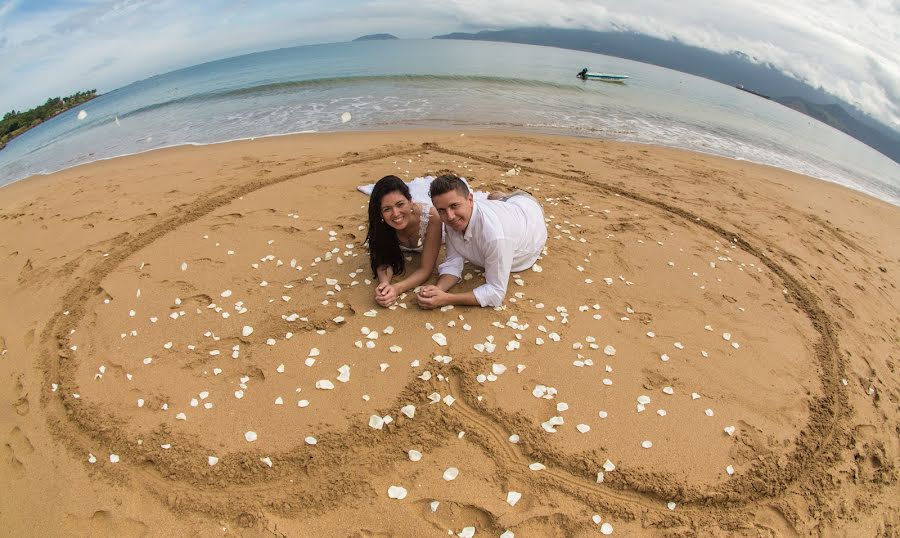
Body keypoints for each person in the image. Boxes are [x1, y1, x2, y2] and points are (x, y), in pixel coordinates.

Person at [417, 174, 547, 309]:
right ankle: (497, 199)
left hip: (528, 210)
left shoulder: (495, 236)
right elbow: (453, 262)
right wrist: (438, 291)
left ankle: (500, 197)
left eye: (454, 206)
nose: (450, 216)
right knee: (493, 201)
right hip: (504, 212)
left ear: (470, 199)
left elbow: (496, 293)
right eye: (441, 210)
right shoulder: (454, 221)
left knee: (500, 198)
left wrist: (447, 299)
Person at [366, 175, 442, 307]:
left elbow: (426, 269)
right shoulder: (382, 224)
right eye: (387, 209)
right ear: (381, 213)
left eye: (400, 204)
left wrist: (397, 288)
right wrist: (384, 284)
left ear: (410, 201)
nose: (395, 214)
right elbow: (384, 259)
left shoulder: (431, 217)